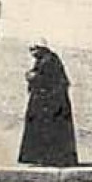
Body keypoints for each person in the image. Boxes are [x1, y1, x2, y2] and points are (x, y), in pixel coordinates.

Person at [18, 39, 79, 167]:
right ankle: (41, 158)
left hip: (53, 104)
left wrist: (33, 78)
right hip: (45, 102)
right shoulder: (43, 60)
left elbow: (51, 81)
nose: (32, 53)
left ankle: (51, 159)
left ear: (41, 48)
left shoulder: (49, 61)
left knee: (49, 130)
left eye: (34, 49)